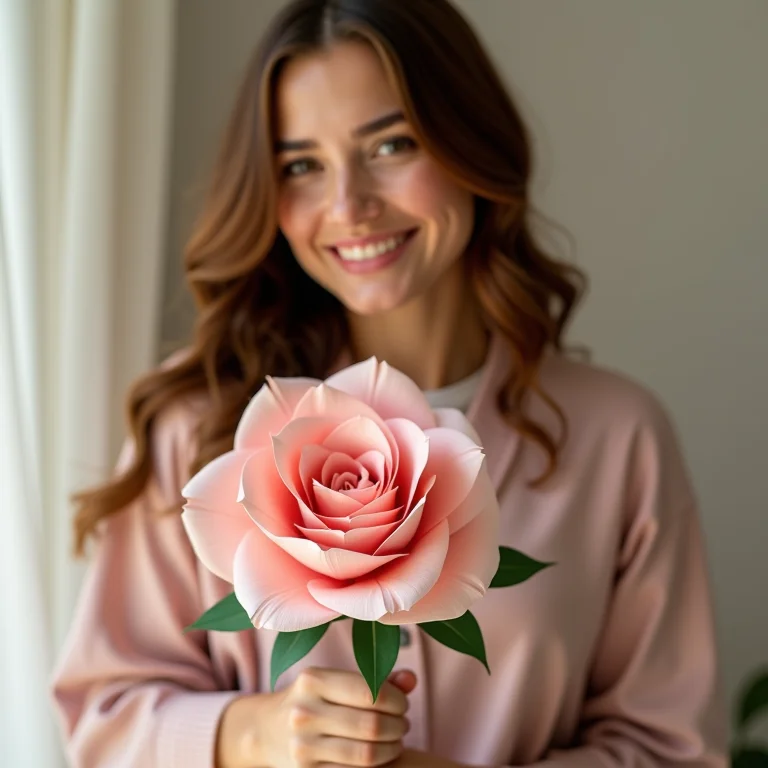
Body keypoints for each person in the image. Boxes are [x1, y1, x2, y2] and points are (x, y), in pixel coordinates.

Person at [50, 0, 728, 766]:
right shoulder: (195, 427)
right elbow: (104, 721)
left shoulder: (619, 439)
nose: (349, 206)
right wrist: (255, 735)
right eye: (301, 165)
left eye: (391, 145)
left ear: (471, 144)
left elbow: (676, 750)